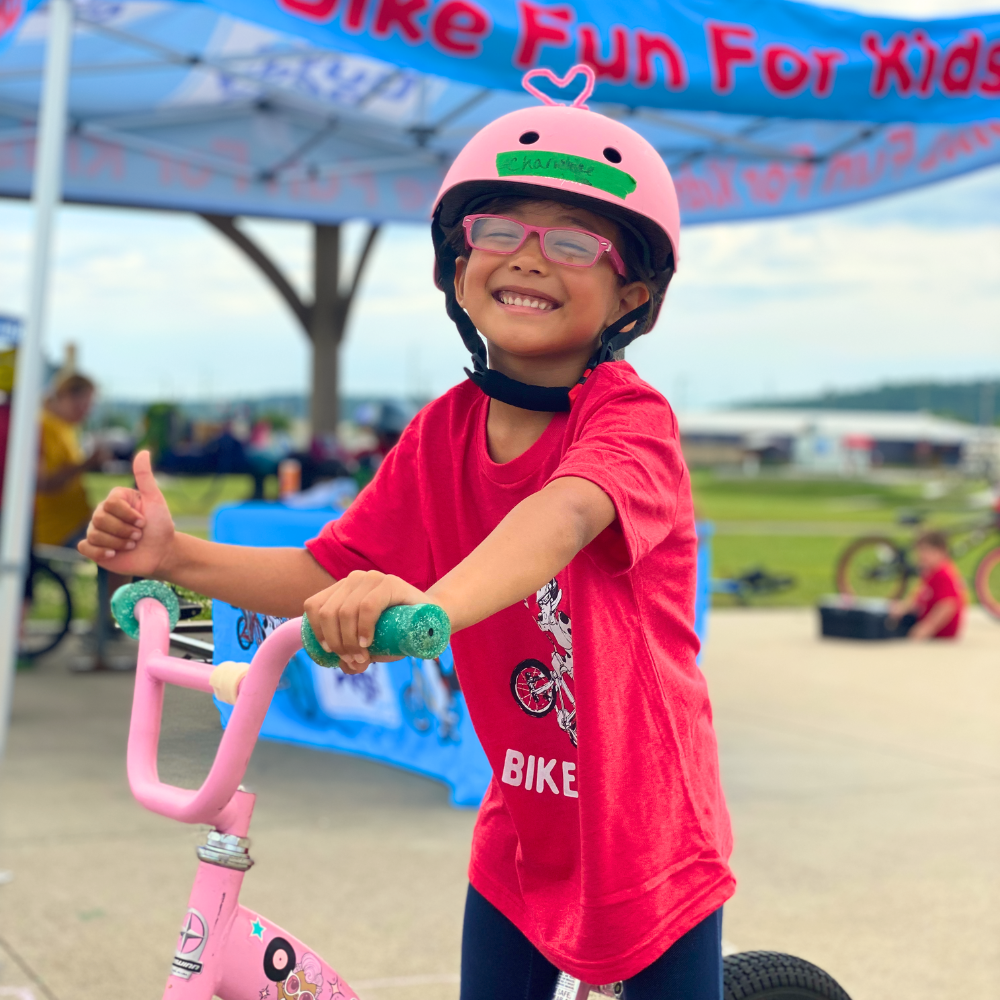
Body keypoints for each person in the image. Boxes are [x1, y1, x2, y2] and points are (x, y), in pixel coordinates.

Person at [79, 66, 733, 998]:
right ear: (454, 263)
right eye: (497, 229)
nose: (529, 256)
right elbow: (325, 568)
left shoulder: (629, 422)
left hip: (645, 826)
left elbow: (562, 516)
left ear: (634, 297)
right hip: (519, 828)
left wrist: (422, 605)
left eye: (576, 241)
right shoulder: (443, 433)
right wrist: (176, 557)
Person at [889, 530, 966, 640]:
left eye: (926, 551)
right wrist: (903, 608)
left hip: (939, 633)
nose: (921, 556)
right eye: (919, 551)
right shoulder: (931, 571)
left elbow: (947, 605)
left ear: (940, 551)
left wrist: (927, 628)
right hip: (924, 620)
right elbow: (919, 596)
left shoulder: (943, 573)